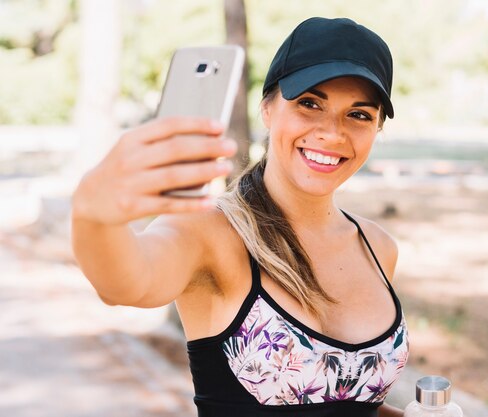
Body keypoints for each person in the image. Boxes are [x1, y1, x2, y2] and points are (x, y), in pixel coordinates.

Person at [71, 17, 409, 417]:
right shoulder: (210, 232)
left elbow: (347, 401)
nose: (332, 133)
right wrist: (93, 215)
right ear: (267, 108)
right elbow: (126, 284)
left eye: (358, 115)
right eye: (309, 103)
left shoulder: (378, 247)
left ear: (377, 128)